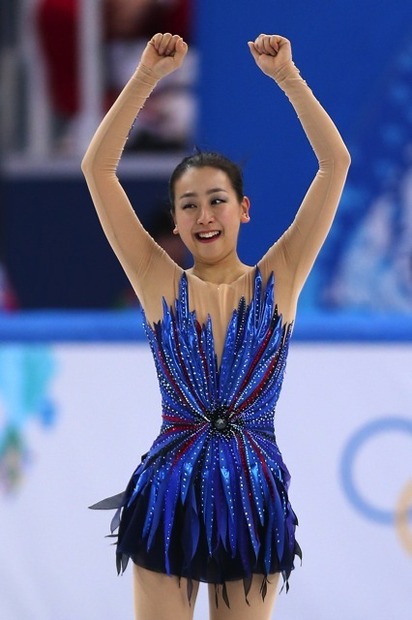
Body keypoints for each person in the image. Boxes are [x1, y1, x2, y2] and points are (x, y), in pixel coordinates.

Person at [82, 32, 350, 620]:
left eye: (217, 200)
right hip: (169, 490)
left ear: (244, 208)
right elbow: (98, 168)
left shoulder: (280, 277)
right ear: (175, 221)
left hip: (254, 497)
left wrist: (289, 79)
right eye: (188, 205)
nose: (204, 216)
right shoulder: (157, 278)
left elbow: (335, 165)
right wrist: (146, 76)